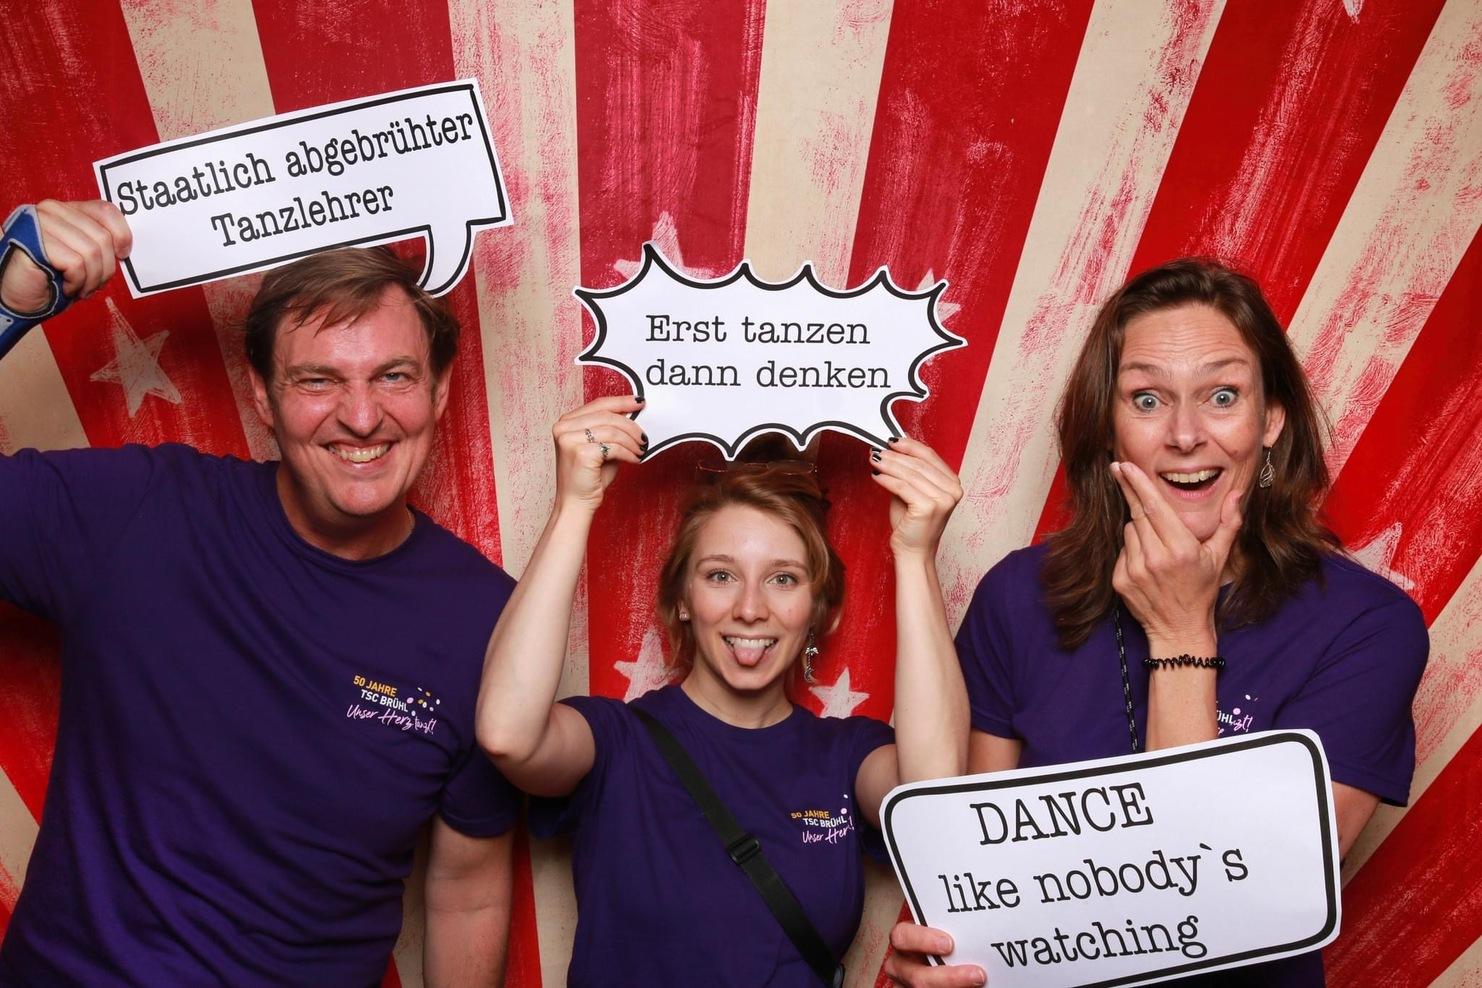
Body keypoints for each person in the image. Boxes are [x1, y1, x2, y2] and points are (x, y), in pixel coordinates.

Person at [0, 199, 520, 986]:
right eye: (319, 380)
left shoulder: (489, 620)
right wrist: (5, 307)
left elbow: (466, 892)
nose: (361, 415)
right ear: (263, 396)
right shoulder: (137, 514)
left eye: (394, 376)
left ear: (439, 391)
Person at [884, 258, 1428, 987]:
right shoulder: (1020, 595)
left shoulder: (1369, 628)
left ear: (1272, 420)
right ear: (1108, 427)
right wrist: (955, 957)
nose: (1184, 435)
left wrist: (1180, 635)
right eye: (1146, 399)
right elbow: (987, 876)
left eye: (1222, 396)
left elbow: (1226, 909)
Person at [477, 398, 969, 985]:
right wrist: (574, 506)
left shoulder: (848, 757)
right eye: (720, 575)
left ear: (819, 610)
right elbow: (507, 735)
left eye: (783, 579)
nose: (751, 608)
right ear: (682, 599)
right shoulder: (618, 743)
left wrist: (915, 555)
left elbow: (934, 796)